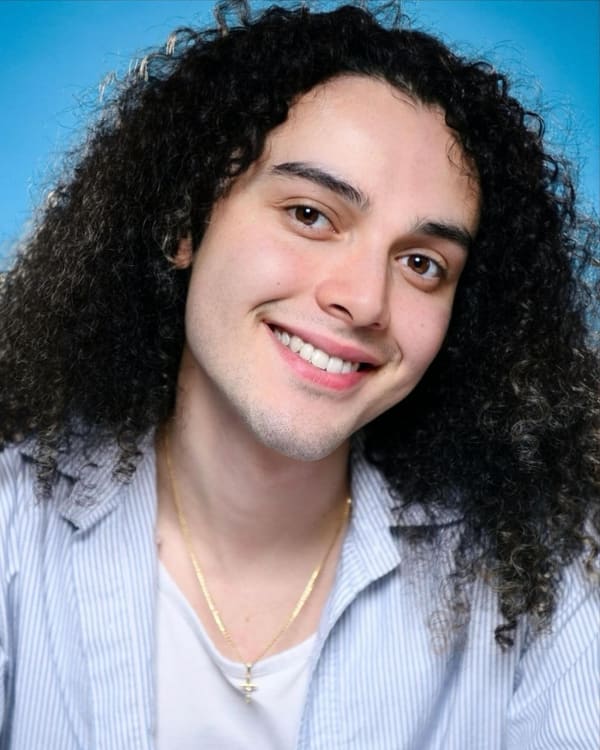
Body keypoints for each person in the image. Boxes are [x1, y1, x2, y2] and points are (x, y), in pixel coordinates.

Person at [0, 1, 598, 748]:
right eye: (311, 215)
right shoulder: (12, 523)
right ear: (186, 221)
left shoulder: (549, 575)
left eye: (422, 263)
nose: (365, 300)